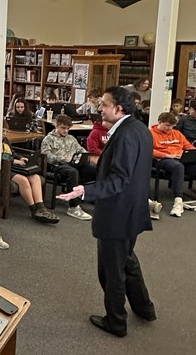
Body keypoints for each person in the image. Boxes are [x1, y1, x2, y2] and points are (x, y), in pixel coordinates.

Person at [57, 86, 156, 338]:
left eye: (104, 104)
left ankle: (116, 321)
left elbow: (119, 179)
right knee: (128, 260)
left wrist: (84, 192)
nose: (99, 108)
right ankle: (144, 308)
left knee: (111, 271)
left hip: (118, 214)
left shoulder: (124, 135)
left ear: (118, 109)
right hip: (133, 210)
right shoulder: (139, 129)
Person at [1, 120, 58, 224]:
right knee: (23, 180)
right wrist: (13, 160)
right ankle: (33, 210)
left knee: (35, 177)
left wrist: (20, 158)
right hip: (4, 168)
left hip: (14, 166)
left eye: (5, 131)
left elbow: (12, 152)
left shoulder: (5, 140)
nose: (4, 134)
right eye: (2, 131)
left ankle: (41, 208)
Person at [39, 115, 93, 220]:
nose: (66, 131)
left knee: (93, 170)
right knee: (73, 172)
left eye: (68, 128)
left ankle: (94, 198)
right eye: (63, 128)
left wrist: (86, 155)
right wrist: (63, 159)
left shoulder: (71, 138)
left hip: (73, 164)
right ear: (57, 125)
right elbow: (46, 156)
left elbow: (80, 149)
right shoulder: (48, 139)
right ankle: (73, 207)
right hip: (57, 165)